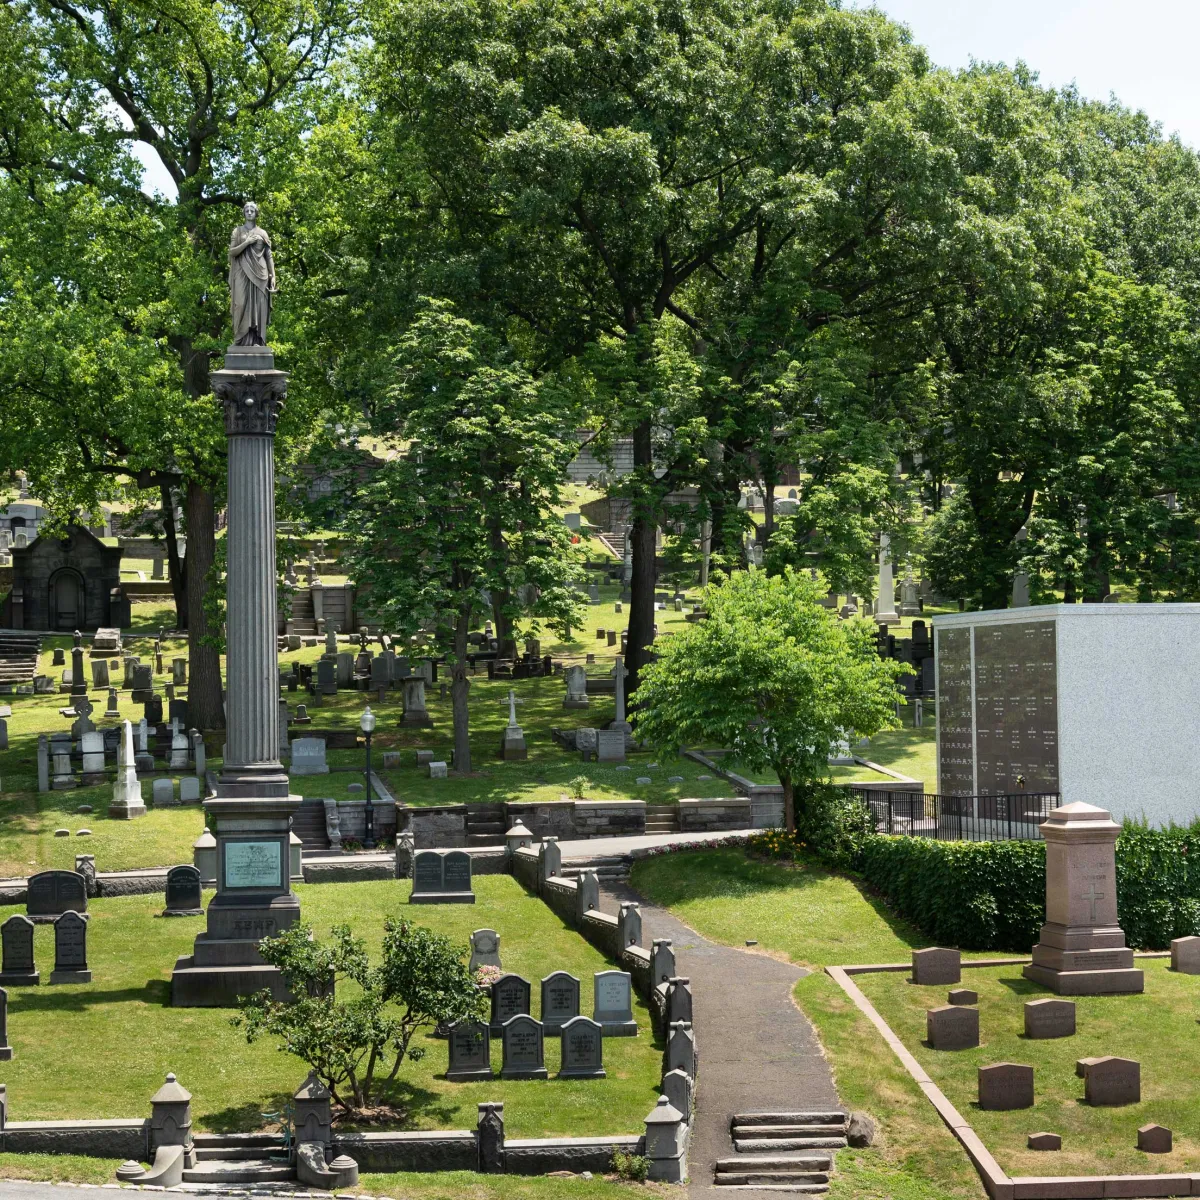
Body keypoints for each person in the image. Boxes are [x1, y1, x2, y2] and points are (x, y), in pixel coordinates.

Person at [228, 200, 276, 345]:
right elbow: (232, 252)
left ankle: (258, 339)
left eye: (252, 210)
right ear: (244, 213)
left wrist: (273, 275)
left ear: (256, 213)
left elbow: (269, 255)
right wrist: (247, 242)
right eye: (247, 210)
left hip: (261, 274)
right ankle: (240, 340)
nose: (249, 212)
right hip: (241, 272)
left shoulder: (263, 233)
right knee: (240, 304)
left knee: (259, 306)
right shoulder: (237, 231)